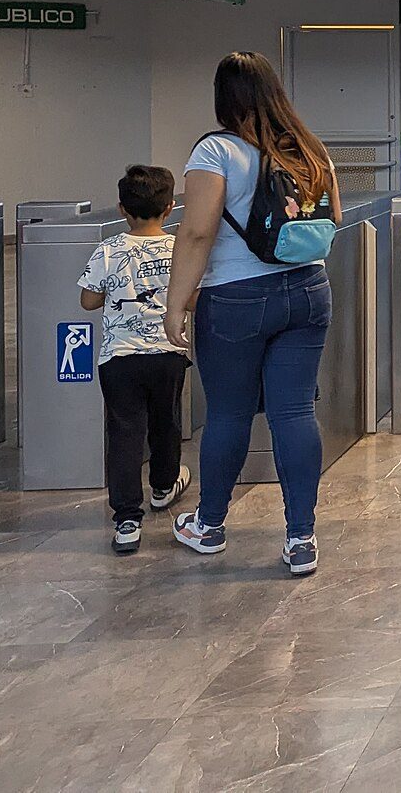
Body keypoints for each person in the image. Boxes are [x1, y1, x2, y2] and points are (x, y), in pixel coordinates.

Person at [166, 52, 340, 576]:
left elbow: (197, 232)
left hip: (236, 299)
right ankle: (302, 539)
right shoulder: (310, 150)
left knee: (229, 414)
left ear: (224, 97)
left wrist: (176, 304)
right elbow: (333, 217)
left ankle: (210, 525)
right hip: (309, 290)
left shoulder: (214, 151)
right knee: (293, 413)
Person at [78, 165, 191, 555]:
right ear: (171, 207)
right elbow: (192, 298)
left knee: (125, 433)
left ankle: (127, 519)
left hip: (119, 358)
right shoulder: (180, 249)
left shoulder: (109, 248)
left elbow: (88, 300)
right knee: (166, 422)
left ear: (122, 208)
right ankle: (163, 485)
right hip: (168, 353)